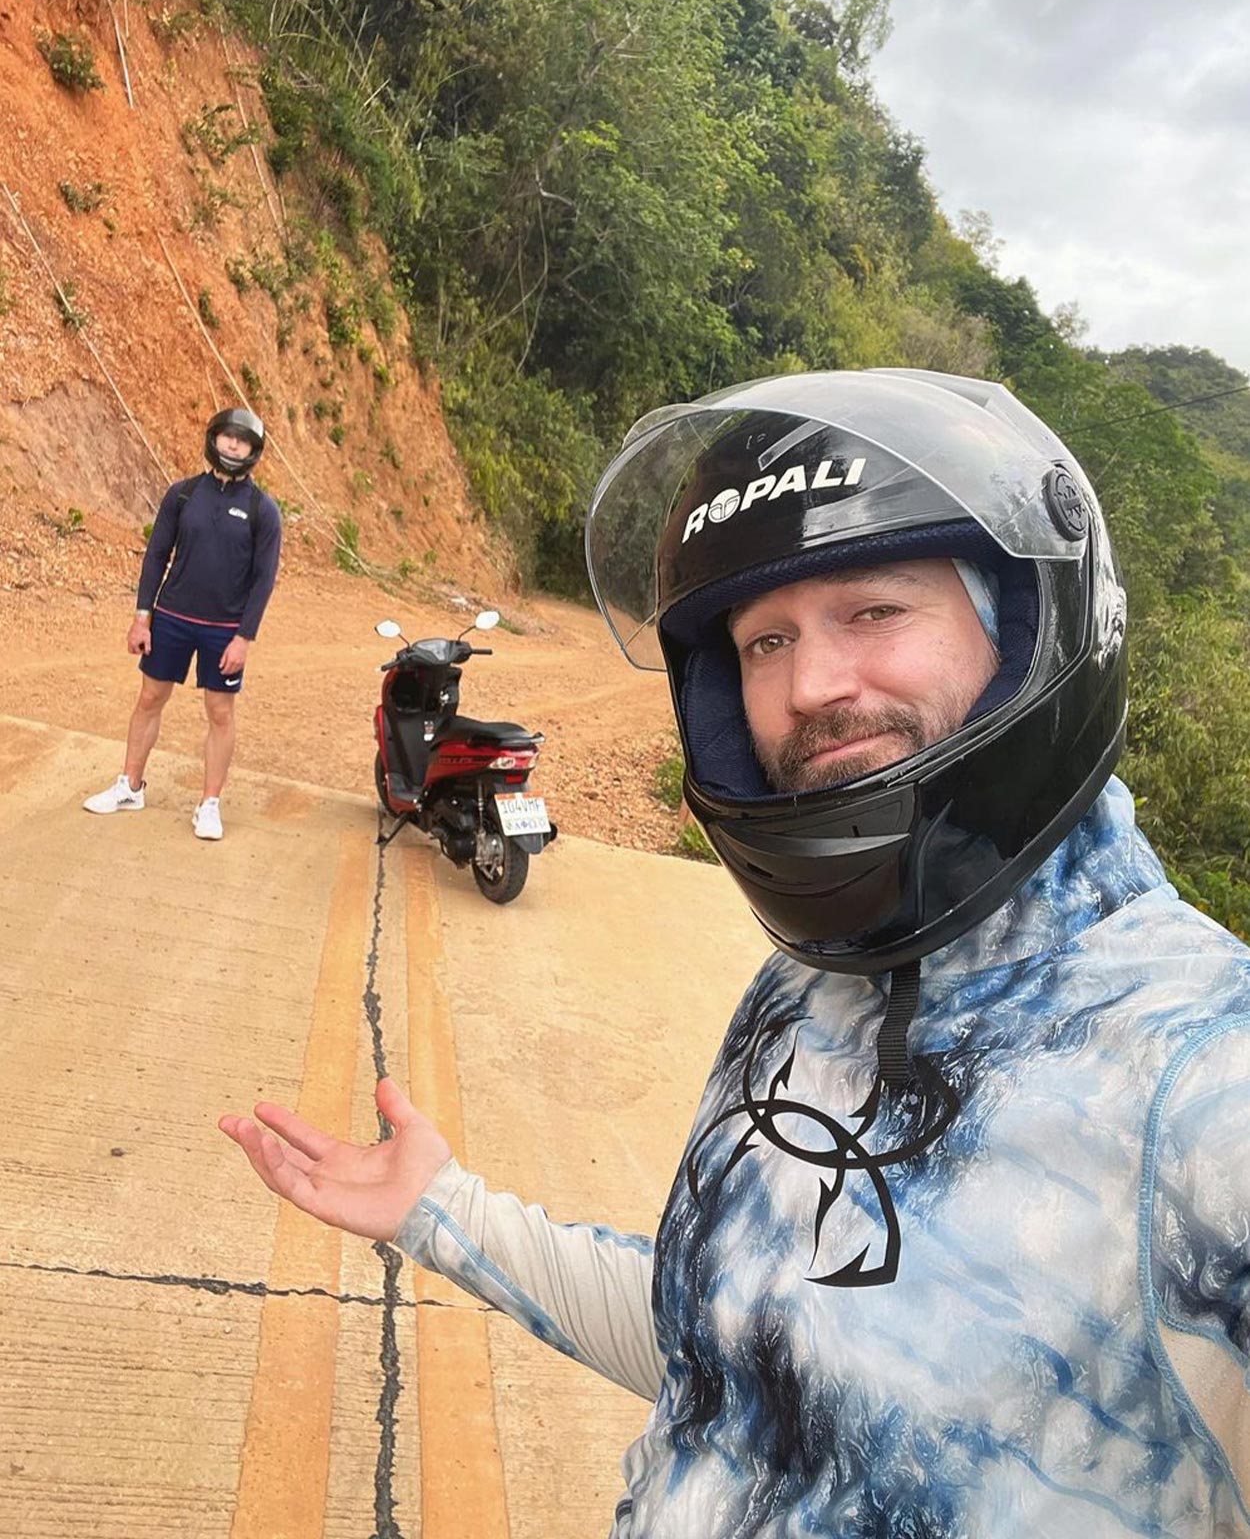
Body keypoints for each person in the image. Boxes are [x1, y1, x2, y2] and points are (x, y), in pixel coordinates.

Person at [220, 371, 1250, 1536]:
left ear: (1028, 629)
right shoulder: (808, 989)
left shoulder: (1202, 1070)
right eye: (765, 640)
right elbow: (734, 1356)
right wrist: (443, 1211)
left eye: (875, 610)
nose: (809, 686)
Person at [84, 407, 282, 840]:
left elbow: (263, 580)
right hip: (172, 618)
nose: (234, 445)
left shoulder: (262, 510)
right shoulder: (183, 494)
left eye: (243, 440)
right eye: (228, 436)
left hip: (224, 630)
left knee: (220, 712)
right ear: (214, 439)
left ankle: (209, 804)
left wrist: (244, 638)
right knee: (149, 698)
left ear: (253, 450)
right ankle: (130, 787)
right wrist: (143, 617)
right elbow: (156, 555)